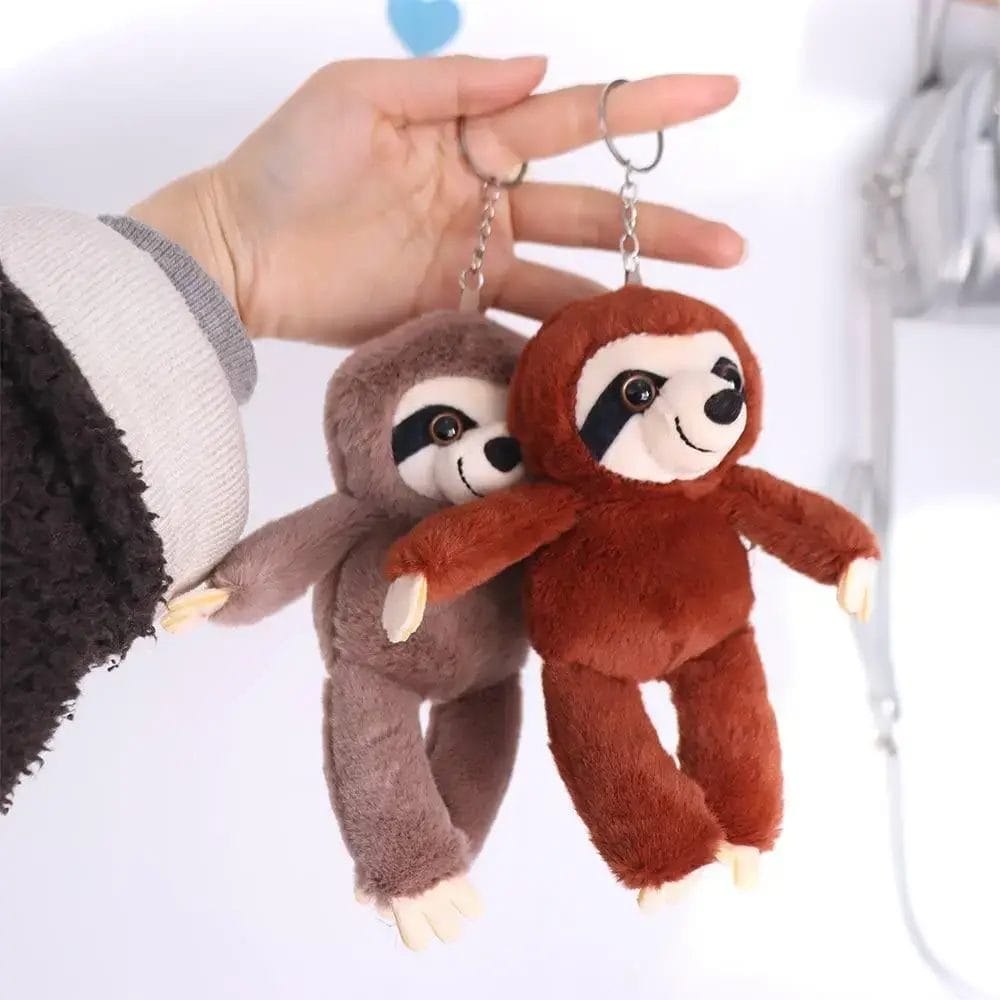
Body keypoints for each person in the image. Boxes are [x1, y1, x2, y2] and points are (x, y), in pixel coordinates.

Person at [0, 55, 744, 809]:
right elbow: (314, 538)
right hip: (381, 659)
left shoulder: (547, 503)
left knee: (487, 742)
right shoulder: (380, 510)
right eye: (447, 426)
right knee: (377, 734)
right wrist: (235, 587)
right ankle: (413, 858)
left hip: (494, 668)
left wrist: (224, 244)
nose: (493, 451)